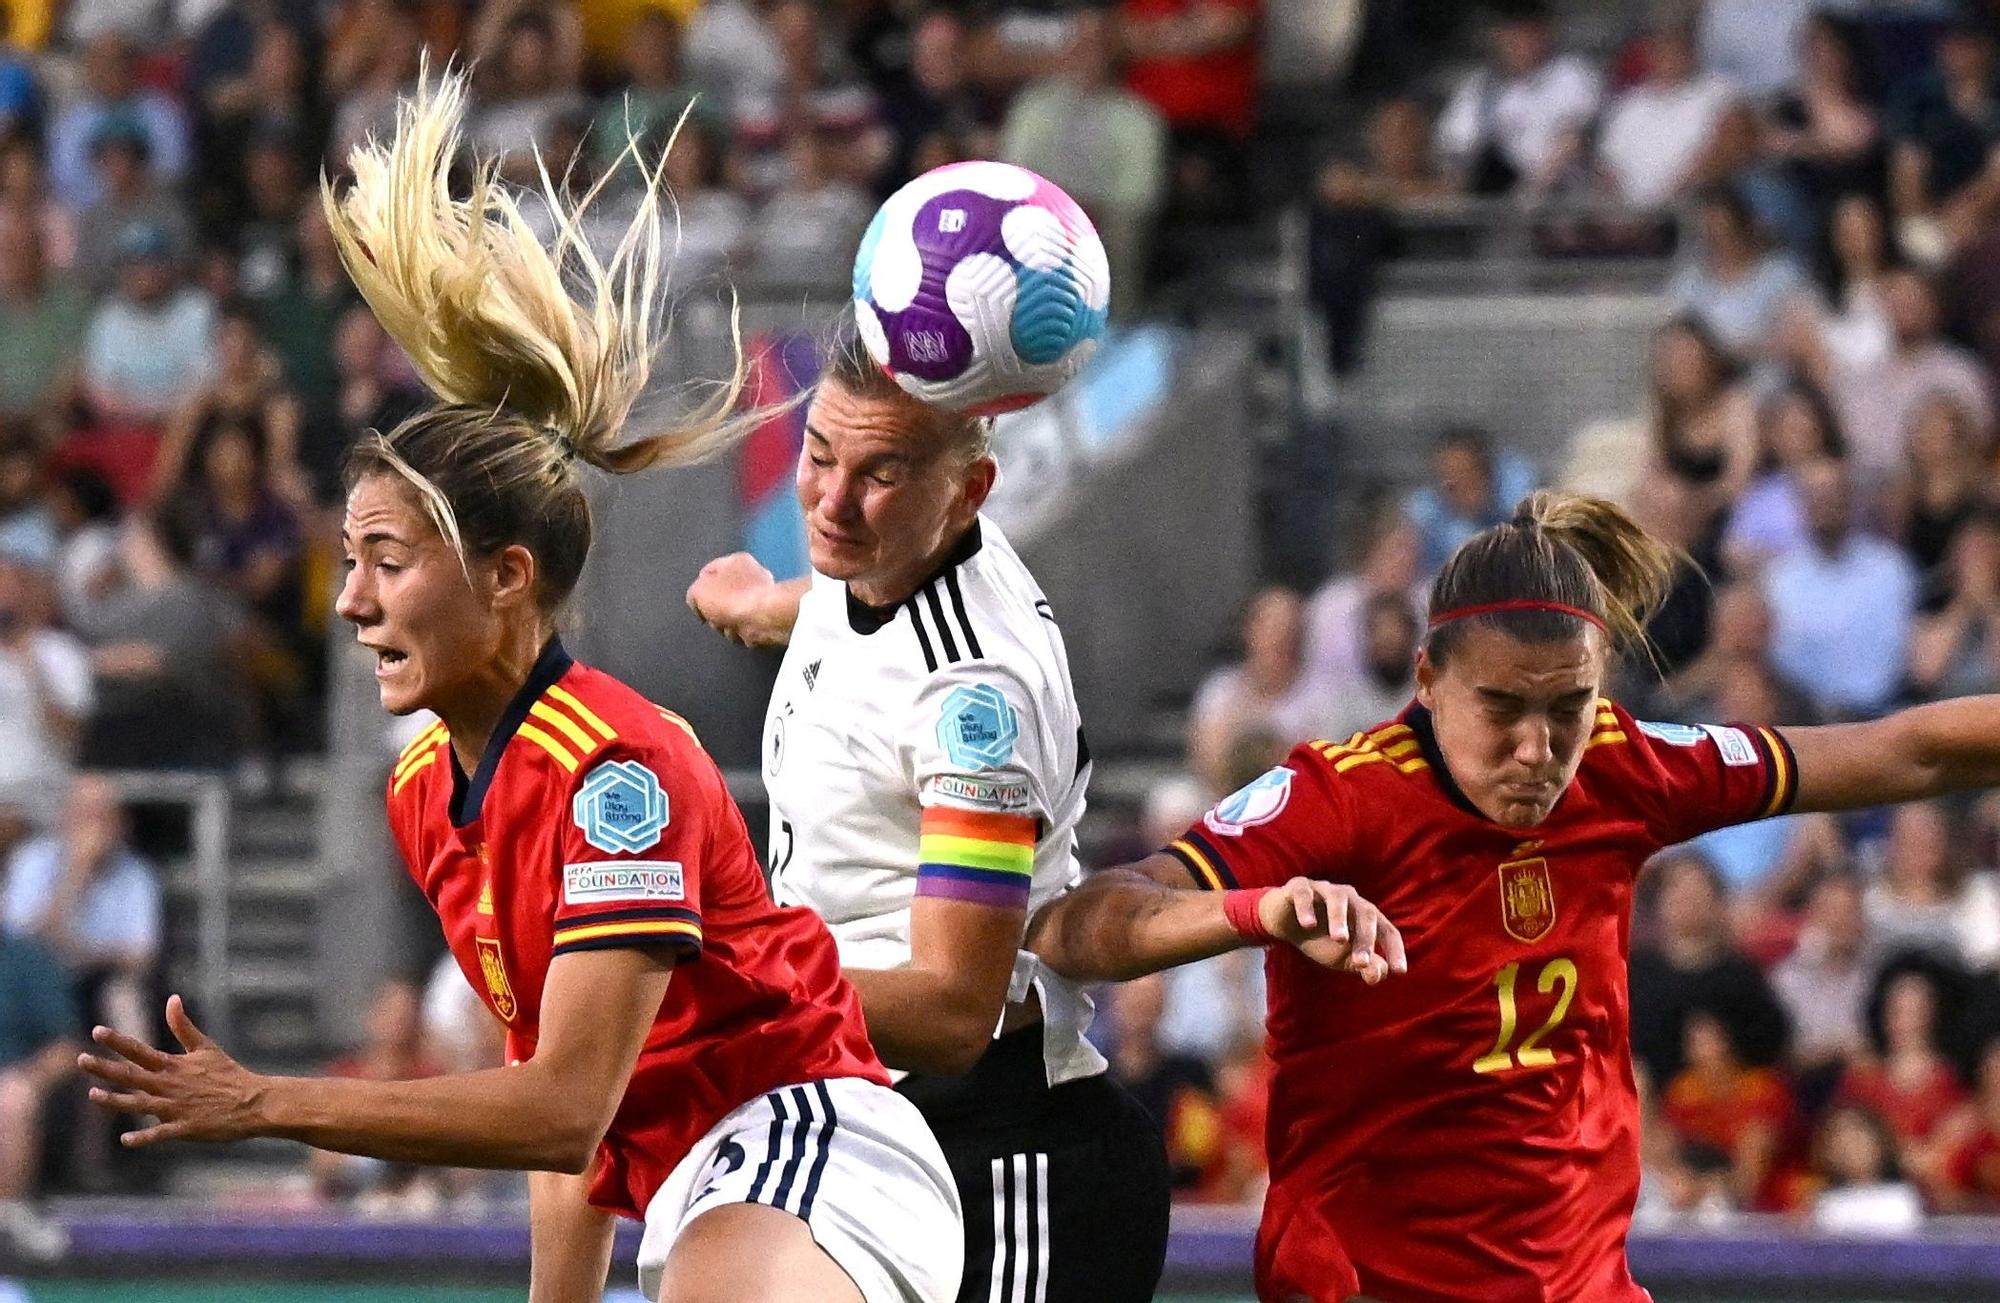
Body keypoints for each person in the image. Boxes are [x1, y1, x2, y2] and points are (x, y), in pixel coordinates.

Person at [78, 70, 962, 1303]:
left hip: (815, 1146)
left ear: (504, 576)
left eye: (386, 562)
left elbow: (561, 1109)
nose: (350, 602)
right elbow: (563, 1113)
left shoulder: (616, 773)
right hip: (697, 1184)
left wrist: (266, 1101)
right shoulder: (425, 791)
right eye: (347, 564)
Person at [1028, 486, 2000, 1301]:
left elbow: (1899, 751)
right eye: (1500, 707)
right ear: (1427, 678)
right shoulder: (1338, 798)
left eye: (1565, 706)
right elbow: (1074, 928)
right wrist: (1255, 912)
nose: (1538, 750)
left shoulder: (1624, 765)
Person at [688, 324, 1298, 1302]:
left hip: (996, 1156)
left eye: (877, 473)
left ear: (968, 492)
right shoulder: (896, 554)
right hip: (860, 1127)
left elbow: (952, 1009)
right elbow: (859, 602)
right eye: (817, 456)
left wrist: (718, 976)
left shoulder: (974, 698)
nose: (831, 501)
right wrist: (768, 605)